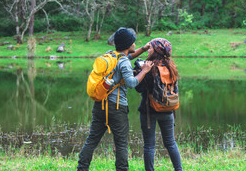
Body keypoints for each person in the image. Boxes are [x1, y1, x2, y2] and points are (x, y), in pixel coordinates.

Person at [77, 28, 153, 171]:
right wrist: (144, 70)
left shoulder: (111, 55)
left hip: (100, 105)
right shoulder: (123, 62)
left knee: (92, 139)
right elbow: (131, 83)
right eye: (133, 42)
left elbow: (127, 58)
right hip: (117, 107)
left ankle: (82, 168)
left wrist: (143, 49)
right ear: (128, 44)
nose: (135, 44)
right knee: (121, 143)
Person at [135, 38, 182, 171]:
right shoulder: (171, 67)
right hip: (168, 110)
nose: (148, 49)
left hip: (149, 112)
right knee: (171, 143)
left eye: (150, 48)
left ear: (156, 51)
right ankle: (179, 169)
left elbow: (138, 88)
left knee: (149, 145)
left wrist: (140, 70)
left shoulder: (149, 68)